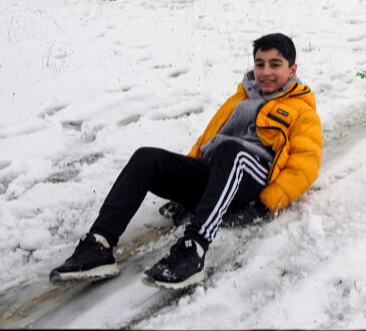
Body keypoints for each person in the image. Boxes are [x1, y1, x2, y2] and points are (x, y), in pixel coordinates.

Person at [49, 33, 322, 289]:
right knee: (147, 158)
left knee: (231, 152)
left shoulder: (302, 110)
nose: (265, 72)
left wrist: (263, 206)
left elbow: (305, 166)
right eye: (260, 64)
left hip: (253, 176)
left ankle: (193, 250)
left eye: (275, 64)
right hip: (220, 171)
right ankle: (100, 243)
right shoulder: (240, 98)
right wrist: (185, 190)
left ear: (292, 70)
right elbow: (208, 140)